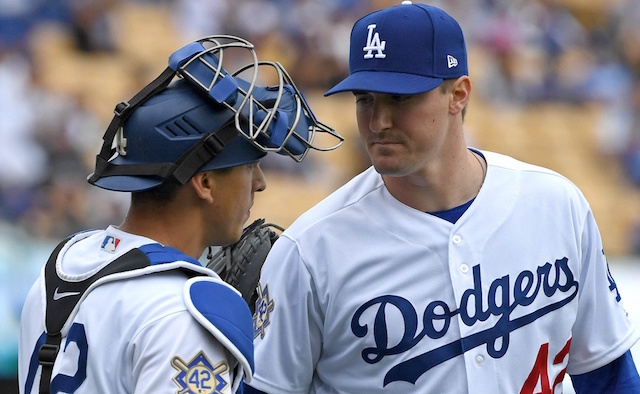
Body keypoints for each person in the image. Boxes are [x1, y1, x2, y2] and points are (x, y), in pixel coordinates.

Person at [245, 3, 640, 393]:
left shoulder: (556, 206)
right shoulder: (310, 250)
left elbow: (608, 376)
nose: (377, 121)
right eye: (365, 98)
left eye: (399, 97)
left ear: (459, 94)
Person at [18, 35, 342, 394]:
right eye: (250, 166)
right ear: (204, 182)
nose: (261, 183)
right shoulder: (185, 312)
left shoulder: (64, 260)